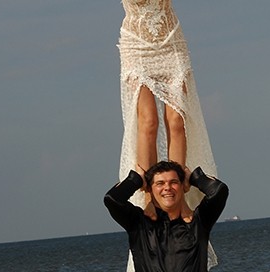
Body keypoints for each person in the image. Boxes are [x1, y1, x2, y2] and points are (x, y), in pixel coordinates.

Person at [117, 0, 219, 269]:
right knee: (148, 123)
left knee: (176, 120)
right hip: (136, 38)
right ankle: (151, 198)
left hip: (170, 36)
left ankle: (181, 191)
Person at [104, 161, 229, 272]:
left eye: (173, 182)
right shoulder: (138, 223)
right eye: (160, 183)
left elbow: (219, 191)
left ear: (182, 186)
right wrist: (135, 180)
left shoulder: (198, 222)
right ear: (150, 189)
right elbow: (112, 199)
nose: (167, 188)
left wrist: (194, 177)